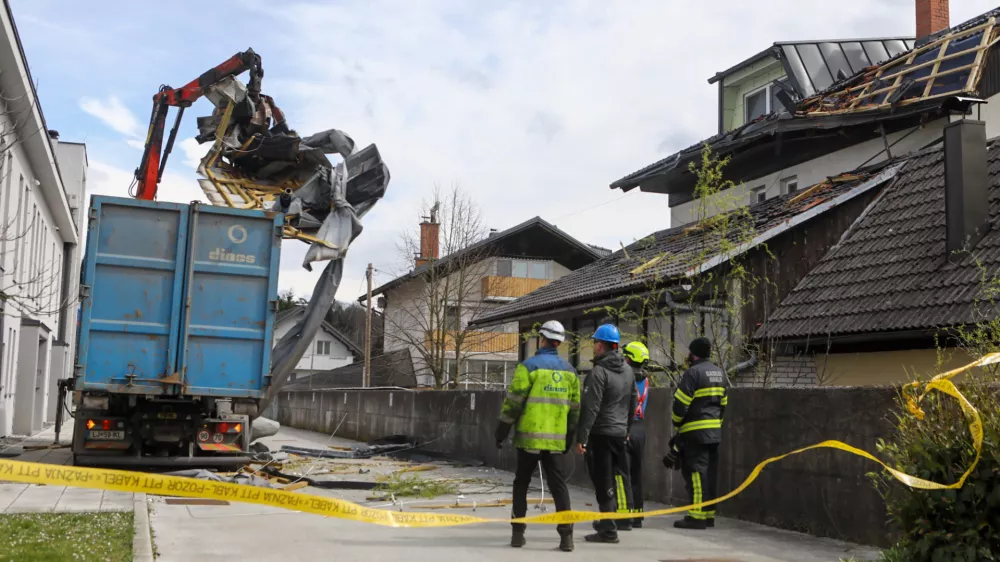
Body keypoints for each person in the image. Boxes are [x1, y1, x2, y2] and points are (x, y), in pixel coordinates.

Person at [495, 320, 580, 553]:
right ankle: (566, 539)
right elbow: (575, 410)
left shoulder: (528, 367)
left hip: (529, 441)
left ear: (541, 339)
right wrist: (568, 439)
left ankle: (517, 535)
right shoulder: (570, 372)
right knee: (559, 487)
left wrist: (501, 433)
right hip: (555, 442)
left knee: (521, 484)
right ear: (559, 342)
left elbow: (513, 404)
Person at [575, 323, 638, 544]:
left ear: (601, 345)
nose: (593, 346)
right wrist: (626, 430)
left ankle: (608, 530)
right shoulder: (629, 370)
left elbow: (591, 408)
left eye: (594, 342)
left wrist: (582, 438)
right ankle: (609, 522)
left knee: (603, 481)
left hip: (601, 434)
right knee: (616, 478)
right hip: (620, 434)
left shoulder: (599, 372)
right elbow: (633, 403)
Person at [671, 336, 730, 530]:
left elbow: (680, 405)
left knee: (696, 473)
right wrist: (715, 426)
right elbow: (723, 406)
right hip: (714, 433)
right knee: (710, 474)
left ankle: (696, 517)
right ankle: (708, 515)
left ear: (693, 353)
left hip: (695, 433)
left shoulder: (693, 373)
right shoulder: (720, 374)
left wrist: (677, 424)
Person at [622, 341, 650, 528]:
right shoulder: (646, 379)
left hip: (625, 428)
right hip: (641, 429)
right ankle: (638, 515)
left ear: (629, 359)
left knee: (623, 474)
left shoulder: (624, 378)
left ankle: (625, 515)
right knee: (637, 474)